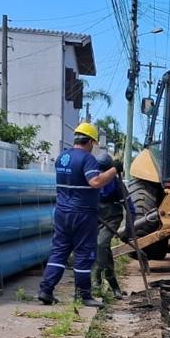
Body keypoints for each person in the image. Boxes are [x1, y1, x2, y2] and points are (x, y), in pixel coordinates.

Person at [38, 121, 118, 308]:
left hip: (62, 212)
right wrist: (114, 170)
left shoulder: (62, 157)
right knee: (84, 253)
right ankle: (84, 295)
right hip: (82, 213)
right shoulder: (87, 159)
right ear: (89, 141)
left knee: (59, 252)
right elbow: (96, 182)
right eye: (93, 144)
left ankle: (46, 290)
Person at [92, 146, 135, 298]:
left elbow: (130, 209)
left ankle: (97, 276)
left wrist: (128, 231)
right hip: (97, 218)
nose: (102, 175)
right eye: (100, 171)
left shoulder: (117, 185)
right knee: (102, 249)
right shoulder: (93, 180)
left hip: (112, 219)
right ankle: (114, 285)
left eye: (105, 171)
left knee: (101, 244)